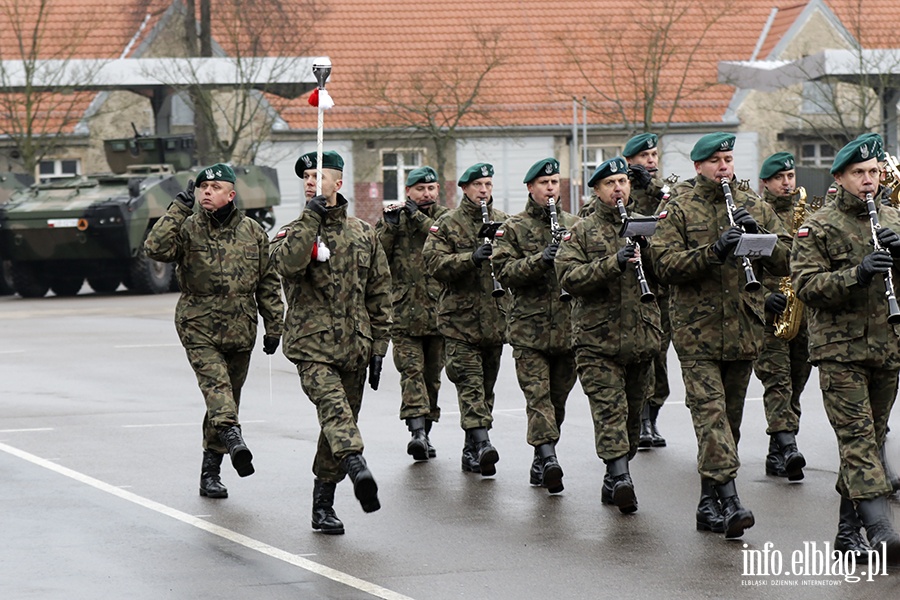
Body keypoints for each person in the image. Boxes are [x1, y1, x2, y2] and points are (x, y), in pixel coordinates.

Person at [652, 132, 791, 539]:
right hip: (698, 334)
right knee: (710, 419)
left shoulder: (752, 205)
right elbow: (664, 266)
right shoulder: (678, 209)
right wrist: (713, 251)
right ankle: (730, 501)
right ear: (699, 167)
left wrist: (757, 239)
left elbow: (787, 259)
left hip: (744, 330)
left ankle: (706, 504)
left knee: (728, 423)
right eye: (715, 161)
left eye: (728, 159)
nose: (724, 167)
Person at [144, 163, 284, 499]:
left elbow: (267, 282)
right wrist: (176, 209)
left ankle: (211, 472)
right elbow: (155, 249)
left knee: (225, 400)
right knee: (217, 388)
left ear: (231, 194)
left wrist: (274, 325)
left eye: (215, 187)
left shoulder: (253, 232)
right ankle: (234, 437)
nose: (207, 191)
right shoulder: (188, 227)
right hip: (198, 323)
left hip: (240, 326)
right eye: (202, 187)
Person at [270, 150, 391, 535]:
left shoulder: (363, 234)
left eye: (318, 175)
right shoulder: (293, 231)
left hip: (354, 346)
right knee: (335, 411)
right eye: (305, 176)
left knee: (337, 424)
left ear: (338, 184)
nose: (310, 181)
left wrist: (379, 346)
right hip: (311, 347)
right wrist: (312, 218)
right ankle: (357, 465)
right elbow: (287, 265)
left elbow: (379, 292)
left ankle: (323, 504)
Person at [791, 136, 900, 563]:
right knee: (856, 440)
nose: (868, 180)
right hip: (840, 350)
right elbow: (806, 286)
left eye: (873, 172)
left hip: (887, 348)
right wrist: (856, 273)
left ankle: (846, 530)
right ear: (839, 178)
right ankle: (881, 529)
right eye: (859, 173)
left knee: (868, 442)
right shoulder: (817, 226)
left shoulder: (893, 218)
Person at [556, 156, 660, 513]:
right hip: (597, 341)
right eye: (610, 183)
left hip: (641, 339)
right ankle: (620, 477)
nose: (619, 188)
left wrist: (651, 257)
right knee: (609, 410)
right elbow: (569, 278)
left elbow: (670, 276)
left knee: (632, 415)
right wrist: (612, 263)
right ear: (597, 190)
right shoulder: (581, 231)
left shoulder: (646, 227)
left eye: (623, 182)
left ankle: (615, 474)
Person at [492, 158, 579, 493]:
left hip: (568, 329)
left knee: (557, 400)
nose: (551, 189)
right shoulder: (513, 227)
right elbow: (504, 271)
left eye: (555, 182)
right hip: (529, 330)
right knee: (537, 397)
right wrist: (540, 260)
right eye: (544, 184)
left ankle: (540, 459)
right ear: (530, 187)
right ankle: (549, 454)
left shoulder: (573, 223)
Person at [423, 162, 509, 477]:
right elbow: (432, 262)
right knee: (470, 385)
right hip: (459, 323)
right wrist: (469, 259)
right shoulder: (447, 223)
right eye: (478, 185)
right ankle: (484, 443)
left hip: (495, 320)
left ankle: (470, 448)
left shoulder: (503, 222)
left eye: (488, 184)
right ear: (465, 188)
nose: (483, 191)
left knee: (485, 389)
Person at [376, 166, 449, 461]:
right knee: (412, 374)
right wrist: (391, 225)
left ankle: (426, 433)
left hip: (440, 314)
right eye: (420, 189)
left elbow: (438, 235)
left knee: (432, 378)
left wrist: (416, 215)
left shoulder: (445, 218)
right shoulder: (397, 219)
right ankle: (417, 433)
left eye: (431, 189)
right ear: (408, 192)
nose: (426, 194)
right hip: (404, 314)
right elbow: (377, 256)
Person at [752, 152, 810, 481]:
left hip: (801, 308)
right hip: (769, 310)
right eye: (780, 178)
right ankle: (788, 446)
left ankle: (777, 452)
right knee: (778, 381)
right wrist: (762, 298)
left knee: (797, 382)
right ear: (766, 183)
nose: (787, 183)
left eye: (790, 176)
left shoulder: (808, 214)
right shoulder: (754, 212)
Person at [621, 133, 672, 448]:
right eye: (644, 156)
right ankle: (638, 421)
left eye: (654, 155)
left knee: (661, 357)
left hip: (661, 288)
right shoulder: (619, 188)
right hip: (630, 290)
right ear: (630, 161)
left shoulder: (664, 190)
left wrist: (651, 186)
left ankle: (651, 419)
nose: (651, 161)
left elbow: (675, 202)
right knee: (639, 359)